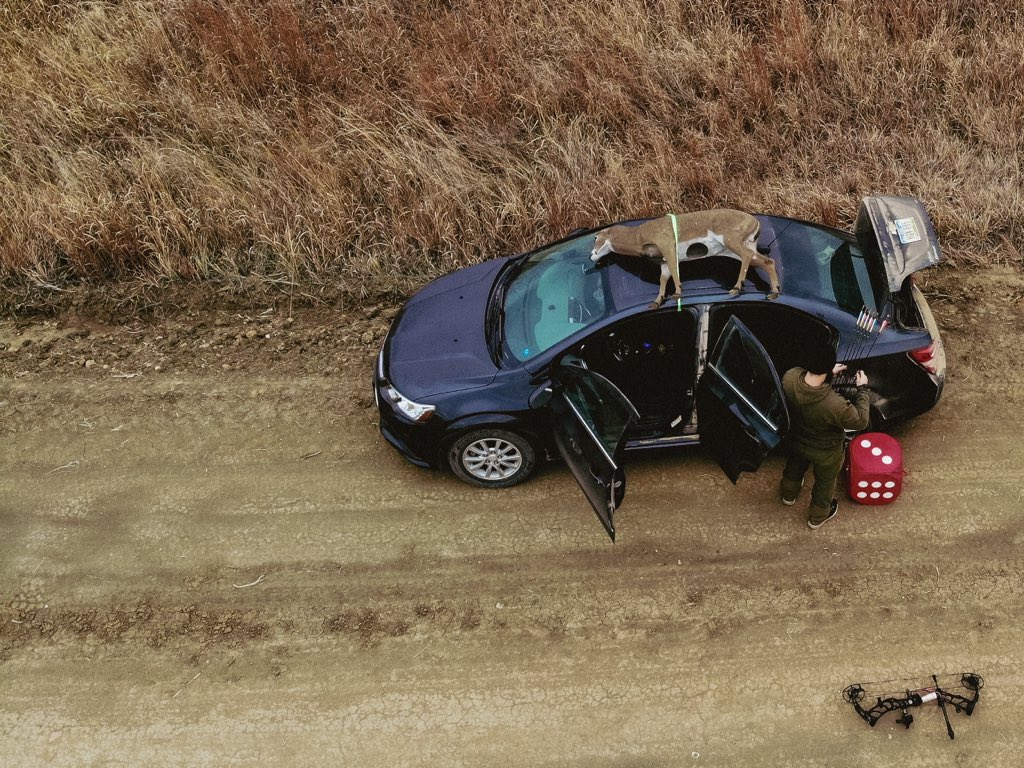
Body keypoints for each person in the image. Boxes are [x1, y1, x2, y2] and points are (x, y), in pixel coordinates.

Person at [779, 343, 871, 529]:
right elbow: (861, 420)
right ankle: (818, 517)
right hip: (826, 451)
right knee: (825, 483)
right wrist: (863, 390)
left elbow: (807, 383)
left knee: (795, 465)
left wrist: (827, 372)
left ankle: (788, 495)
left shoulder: (789, 377)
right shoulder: (834, 405)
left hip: (797, 439)